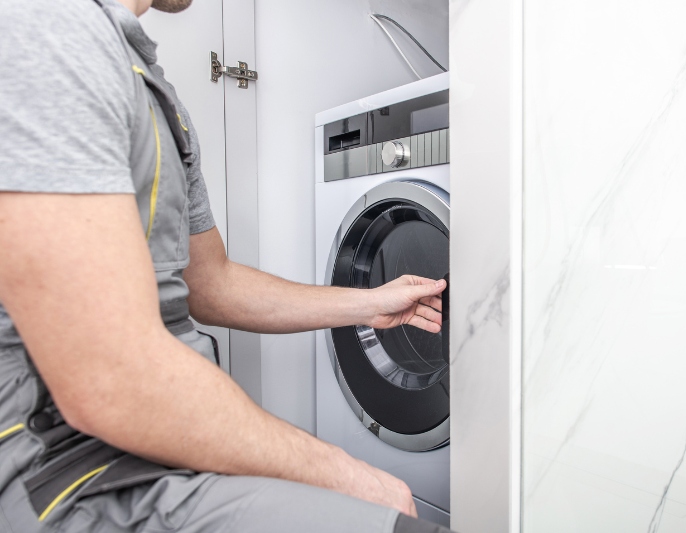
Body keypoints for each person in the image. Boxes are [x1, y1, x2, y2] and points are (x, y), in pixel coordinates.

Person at [0, 0, 452, 531]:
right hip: (70, 471)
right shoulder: (49, 33)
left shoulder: (151, 87)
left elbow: (212, 284)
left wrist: (370, 302)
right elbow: (109, 380)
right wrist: (349, 473)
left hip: (152, 445)